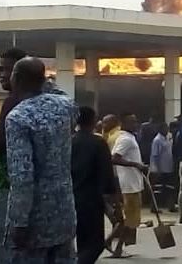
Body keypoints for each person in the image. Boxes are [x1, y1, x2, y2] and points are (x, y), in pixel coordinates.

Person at [5, 57, 77, 263]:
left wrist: (19, 221)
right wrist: (43, 80)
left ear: (17, 78)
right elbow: (62, 95)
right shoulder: (65, 107)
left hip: (34, 221)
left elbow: (22, 175)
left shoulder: (17, 117)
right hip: (64, 212)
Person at [0, 46, 27, 264]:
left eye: (5, 70)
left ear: (19, 73)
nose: (1, 75)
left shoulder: (13, 101)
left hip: (8, 185)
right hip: (39, 192)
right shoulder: (51, 100)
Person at [72, 106, 121, 264]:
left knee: (81, 240)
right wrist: (115, 202)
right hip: (91, 199)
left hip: (70, 197)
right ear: (94, 121)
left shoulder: (69, 141)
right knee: (95, 243)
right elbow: (107, 174)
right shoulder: (98, 142)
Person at [111, 114, 147, 255]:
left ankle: (115, 245)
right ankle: (117, 248)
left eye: (135, 121)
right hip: (129, 184)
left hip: (134, 182)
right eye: (131, 122)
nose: (135, 123)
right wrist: (135, 164)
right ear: (123, 123)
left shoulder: (131, 137)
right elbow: (114, 158)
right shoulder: (125, 139)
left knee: (131, 218)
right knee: (131, 219)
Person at [149, 123, 175, 212]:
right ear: (160, 129)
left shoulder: (167, 138)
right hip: (159, 169)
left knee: (169, 188)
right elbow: (155, 155)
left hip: (168, 168)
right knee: (157, 189)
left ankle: (170, 206)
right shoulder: (157, 140)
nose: (167, 130)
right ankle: (154, 207)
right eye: (165, 128)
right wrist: (158, 168)